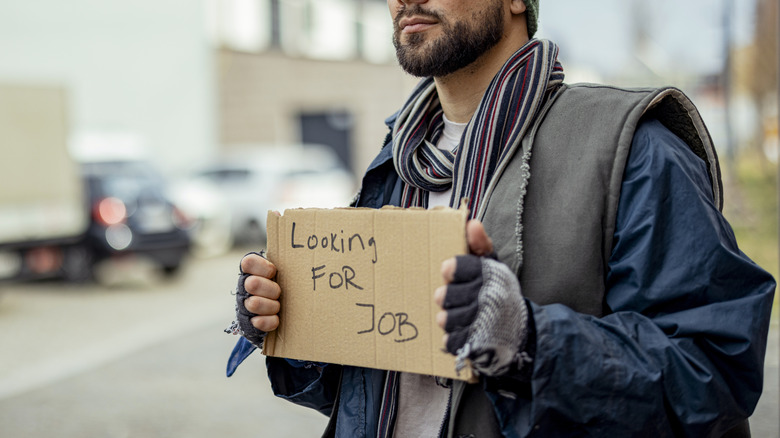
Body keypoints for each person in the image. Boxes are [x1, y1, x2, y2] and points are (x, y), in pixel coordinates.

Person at [225, 0, 776, 436]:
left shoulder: (633, 149)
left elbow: (714, 373)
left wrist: (529, 344)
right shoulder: (396, 164)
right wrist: (293, 325)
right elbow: (379, 394)